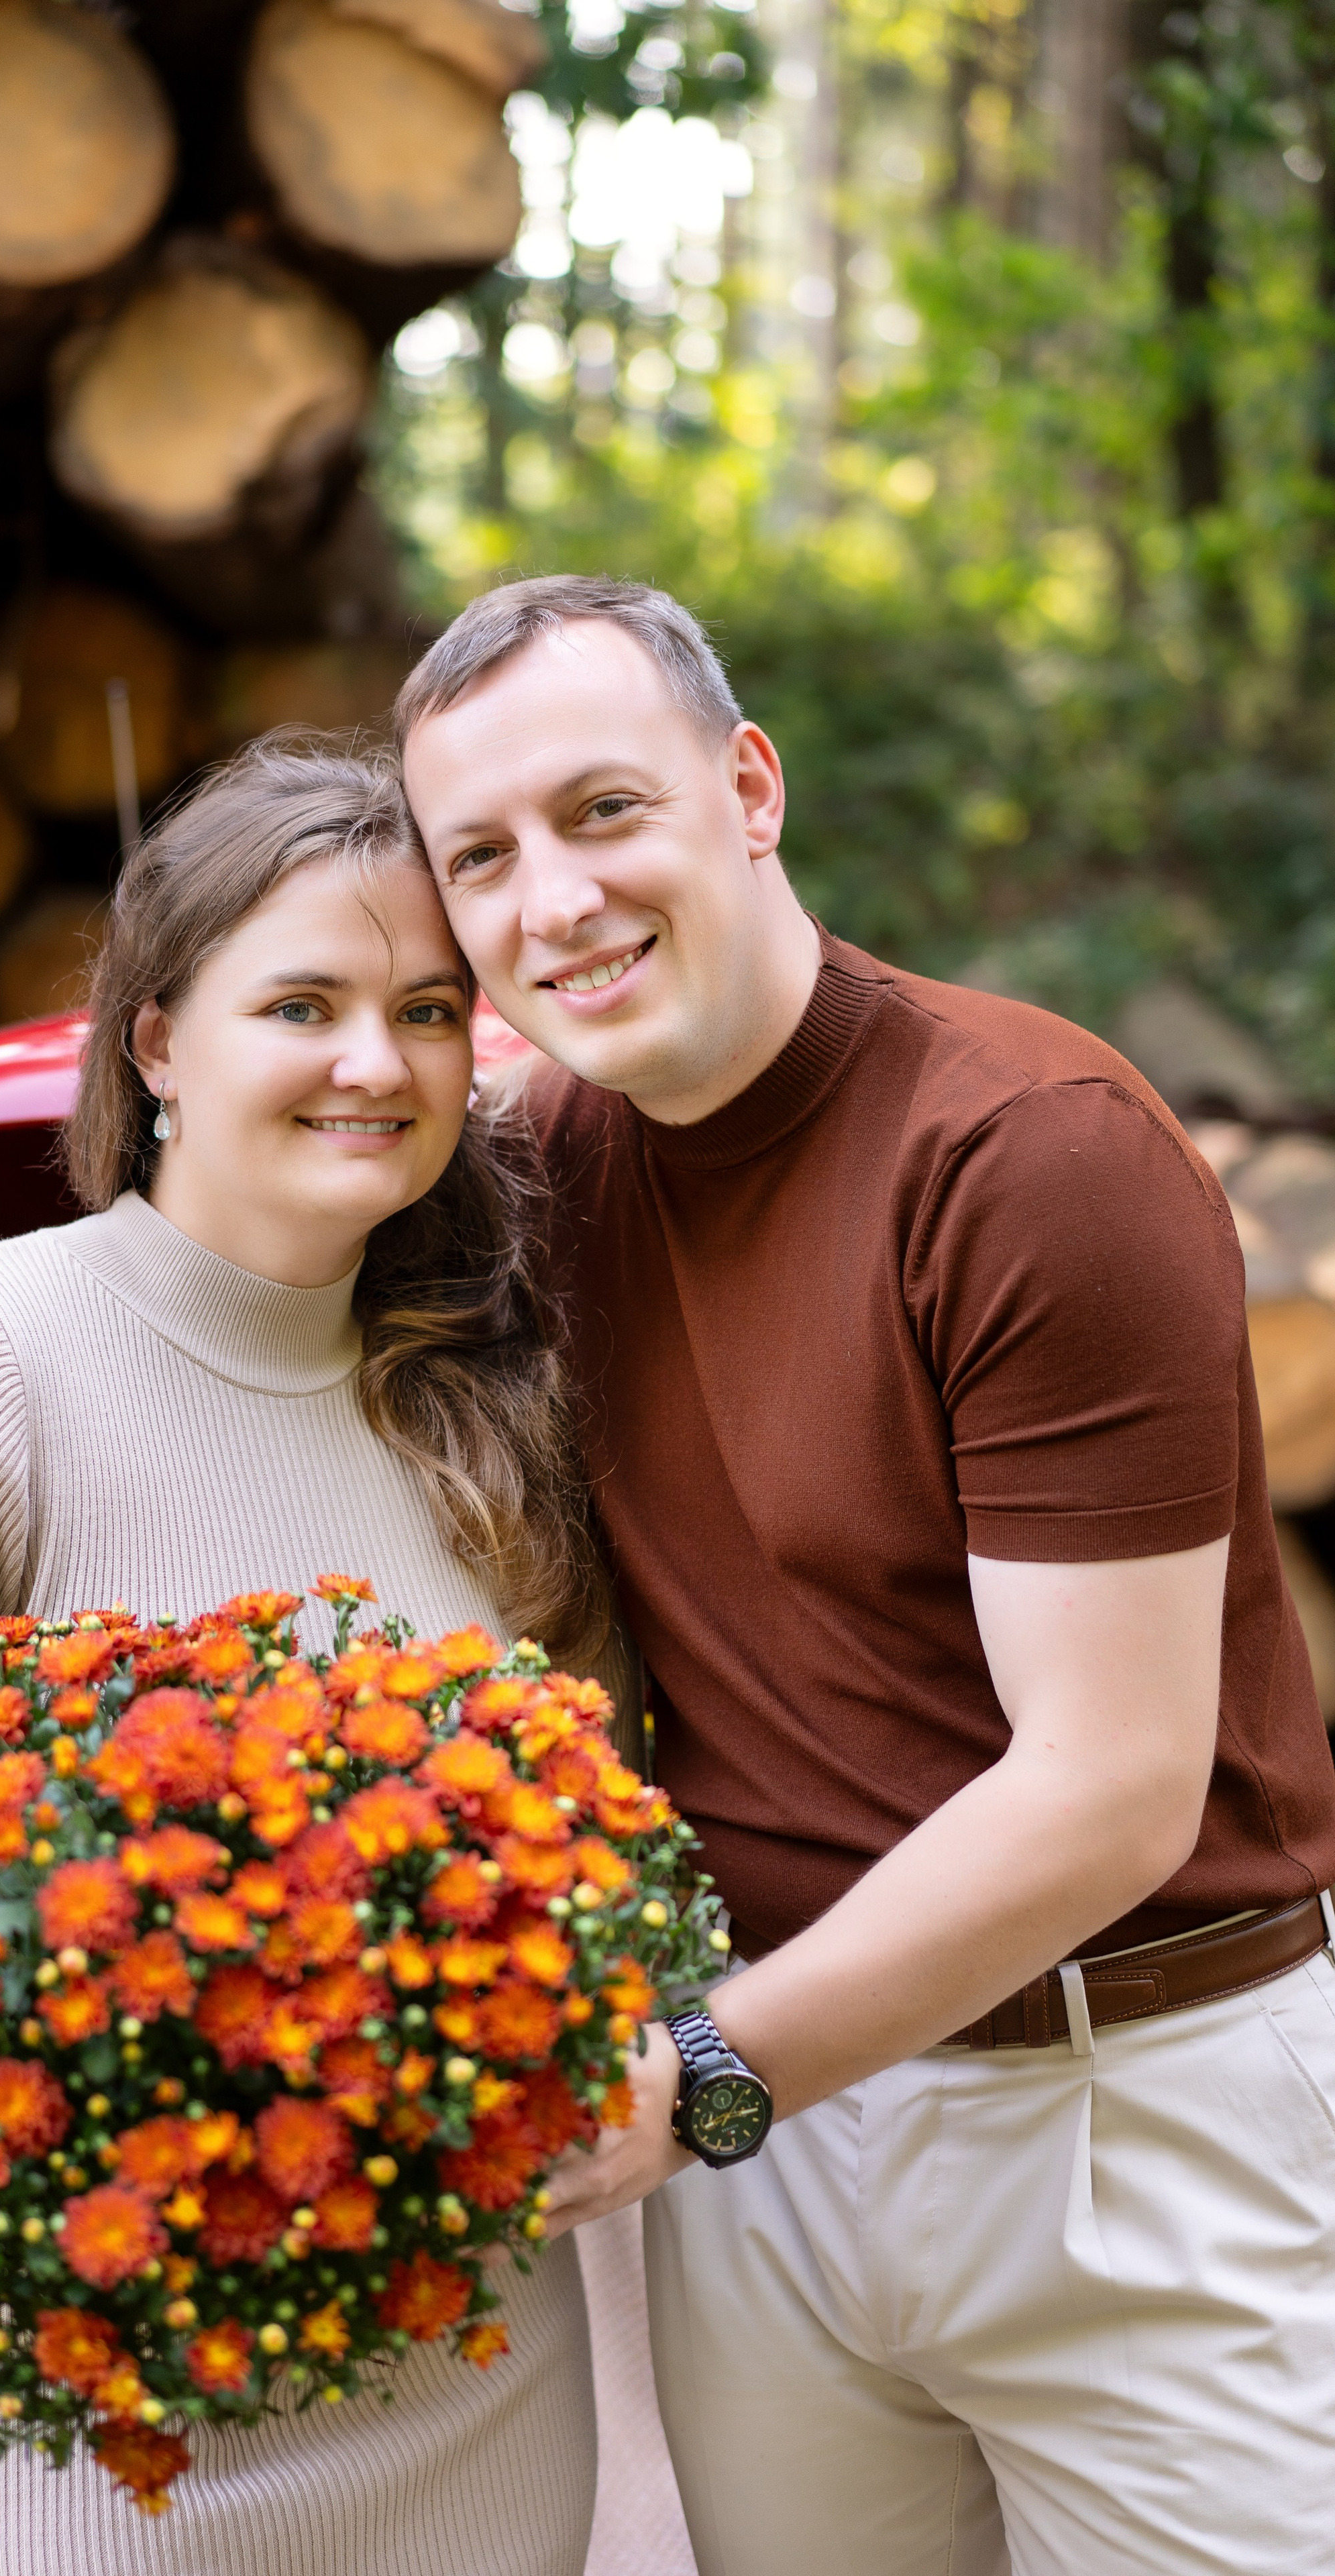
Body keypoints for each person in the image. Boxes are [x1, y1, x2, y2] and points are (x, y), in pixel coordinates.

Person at [398, 574, 1335, 2576]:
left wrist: (703, 2081)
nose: (551, 901)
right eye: (479, 858)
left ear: (749, 787)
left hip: (1130, 2115)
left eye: (602, 812)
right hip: (779, 2161)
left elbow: (1112, 1783)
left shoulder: (1025, 1154)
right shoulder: (551, 1170)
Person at [0, 740, 624, 2576]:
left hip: (455, 2383)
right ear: (156, 1046)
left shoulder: (499, 1413)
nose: (378, 1063)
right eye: (304, 1002)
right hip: (38, 2385)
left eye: (428, 1010)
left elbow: (597, 1872)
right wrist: (242, 2081)